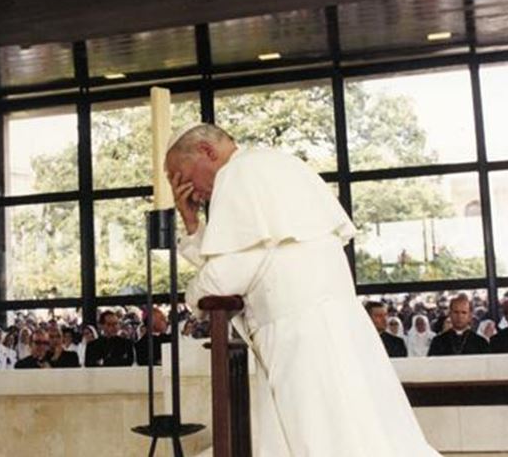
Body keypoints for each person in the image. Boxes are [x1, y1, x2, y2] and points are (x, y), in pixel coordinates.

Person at [165, 123, 439, 456]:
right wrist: (193, 226)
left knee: (326, 441)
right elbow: (246, 255)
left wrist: (192, 293)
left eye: (182, 175)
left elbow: (222, 279)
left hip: (299, 335)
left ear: (207, 151)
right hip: (334, 325)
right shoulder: (278, 164)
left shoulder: (236, 175)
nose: (187, 190)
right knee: (365, 433)